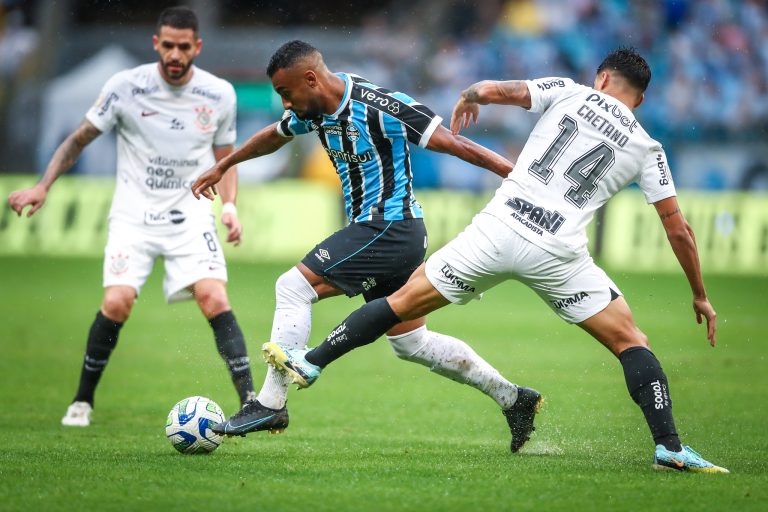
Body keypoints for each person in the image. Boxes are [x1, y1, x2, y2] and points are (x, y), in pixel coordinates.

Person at [262, 48, 729, 473]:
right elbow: (678, 230)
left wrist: (471, 94)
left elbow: (499, 90)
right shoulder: (649, 148)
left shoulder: (571, 91)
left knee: (402, 302)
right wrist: (700, 294)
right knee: (631, 341)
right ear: (639, 101)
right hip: (558, 251)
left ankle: (313, 361)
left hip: (499, 229)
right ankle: (668, 445)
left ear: (602, 79)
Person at [191, 40, 538, 446]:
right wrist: (224, 164)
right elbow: (275, 134)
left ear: (310, 78)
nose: (285, 104)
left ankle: (270, 403)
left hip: (390, 227)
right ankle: (514, 398)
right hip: (384, 233)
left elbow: (456, 144)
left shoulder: (382, 106)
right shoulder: (313, 110)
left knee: (293, 286)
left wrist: (519, 180)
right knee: (411, 342)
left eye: (286, 93)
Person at [7, 7, 256, 427]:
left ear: (197, 47)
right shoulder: (125, 87)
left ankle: (251, 400)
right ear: (156, 43)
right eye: (168, 45)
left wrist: (229, 207)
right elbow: (79, 139)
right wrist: (42, 185)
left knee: (214, 298)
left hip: (191, 215)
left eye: (184, 47)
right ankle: (82, 401)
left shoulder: (219, 95)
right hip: (133, 217)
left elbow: (225, 160)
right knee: (117, 302)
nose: (175, 55)